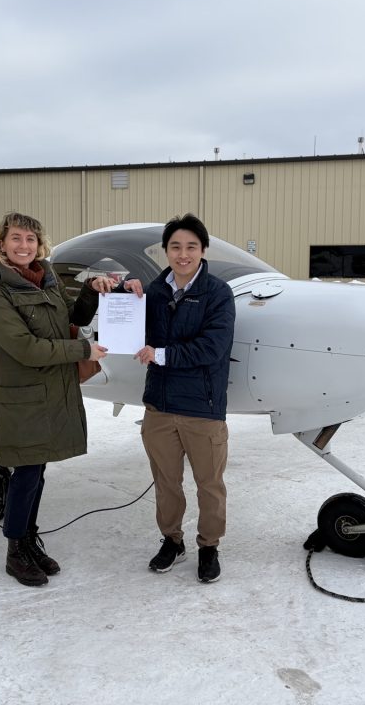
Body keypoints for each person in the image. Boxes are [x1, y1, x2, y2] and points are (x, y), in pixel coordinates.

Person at [0, 212, 117, 587]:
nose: (24, 246)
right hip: (24, 398)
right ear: (1, 243)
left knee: (36, 471)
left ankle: (28, 539)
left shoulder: (46, 279)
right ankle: (15, 551)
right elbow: (27, 348)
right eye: (16, 238)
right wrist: (83, 350)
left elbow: (72, 317)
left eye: (31, 239)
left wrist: (91, 290)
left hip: (52, 392)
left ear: (39, 244)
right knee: (26, 472)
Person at [127, 213, 236, 583]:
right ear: (166, 251)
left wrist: (161, 354)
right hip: (159, 406)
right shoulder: (154, 293)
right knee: (166, 483)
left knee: (210, 485)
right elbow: (129, 328)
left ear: (203, 250)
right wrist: (122, 293)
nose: (183, 254)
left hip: (202, 408)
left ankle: (209, 546)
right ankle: (172, 540)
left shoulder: (218, 293)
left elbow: (213, 347)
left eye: (191, 246)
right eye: (175, 246)